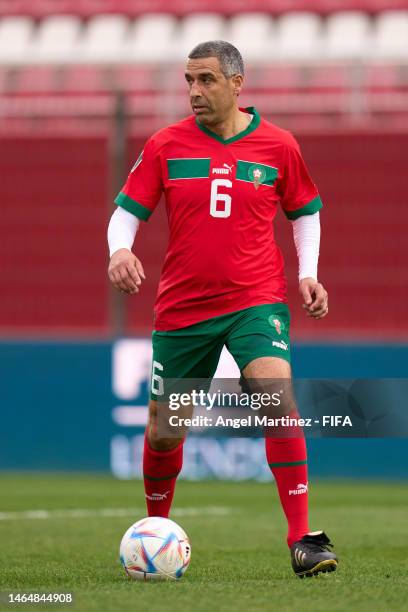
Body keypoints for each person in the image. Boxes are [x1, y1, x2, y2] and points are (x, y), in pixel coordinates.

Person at [107, 40, 338, 578]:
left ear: (238, 83)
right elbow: (125, 214)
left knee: (275, 395)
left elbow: (305, 212)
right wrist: (120, 250)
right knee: (166, 431)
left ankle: (303, 539)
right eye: (189, 80)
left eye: (206, 80)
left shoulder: (278, 145)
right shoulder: (166, 145)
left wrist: (307, 274)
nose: (194, 91)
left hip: (255, 300)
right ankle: (154, 532)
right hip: (184, 308)